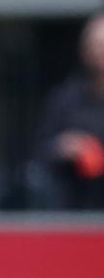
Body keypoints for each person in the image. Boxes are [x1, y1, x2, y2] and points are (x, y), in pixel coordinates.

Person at [27, 13, 104, 209]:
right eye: (94, 45)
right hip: (69, 215)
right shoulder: (64, 99)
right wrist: (65, 147)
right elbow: (38, 154)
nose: (99, 53)